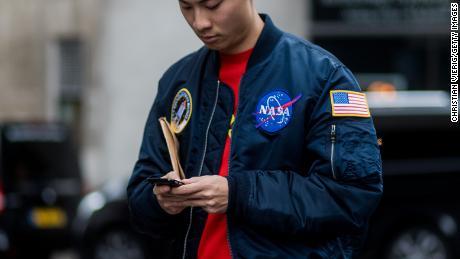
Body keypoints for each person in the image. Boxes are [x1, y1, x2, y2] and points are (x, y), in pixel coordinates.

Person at [127, 0, 383, 258]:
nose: (199, 21)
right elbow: (140, 194)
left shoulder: (325, 75)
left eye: (213, 5)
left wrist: (239, 193)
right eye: (187, 7)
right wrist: (160, 201)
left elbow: (352, 196)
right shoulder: (178, 80)